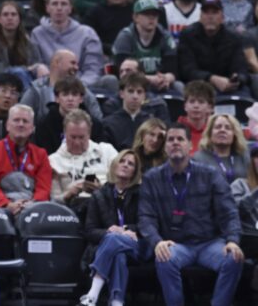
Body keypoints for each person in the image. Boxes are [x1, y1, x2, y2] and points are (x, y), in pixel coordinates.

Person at [138, 123, 244, 306]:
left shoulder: (210, 174)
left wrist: (233, 240)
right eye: (170, 139)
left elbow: (229, 212)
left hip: (209, 243)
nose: (175, 143)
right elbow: (145, 217)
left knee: (234, 257)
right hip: (175, 244)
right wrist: (157, 241)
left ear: (190, 145)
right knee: (164, 257)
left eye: (180, 139)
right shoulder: (152, 177)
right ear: (165, 147)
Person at [78, 150, 144, 306]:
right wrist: (109, 231)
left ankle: (92, 295)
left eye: (131, 163)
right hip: (110, 246)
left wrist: (127, 228)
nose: (126, 165)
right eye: (122, 161)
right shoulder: (99, 195)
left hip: (136, 244)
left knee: (115, 239)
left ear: (135, 171)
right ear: (114, 165)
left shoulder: (142, 194)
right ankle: (116, 302)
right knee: (117, 254)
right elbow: (89, 231)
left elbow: (147, 223)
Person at [0, 104, 52, 216]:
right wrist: (8, 205)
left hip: (32, 209)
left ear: (32, 128)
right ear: (7, 125)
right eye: (16, 120)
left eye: (25, 121)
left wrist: (32, 205)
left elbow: (44, 189)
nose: (21, 124)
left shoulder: (41, 154)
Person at [31, 0, 111, 91]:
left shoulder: (87, 33)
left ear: (70, 8)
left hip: (81, 86)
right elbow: (33, 64)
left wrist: (76, 87)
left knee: (110, 80)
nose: (59, 8)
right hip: (48, 86)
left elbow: (93, 70)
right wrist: (38, 67)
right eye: (55, 4)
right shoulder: (37, 33)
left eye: (64, 4)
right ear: (47, 8)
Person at [178, 0, 256, 98]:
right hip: (198, 86)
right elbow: (187, 70)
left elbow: (242, 70)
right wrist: (212, 78)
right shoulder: (187, 35)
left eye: (214, 12)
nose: (210, 17)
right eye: (206, 13)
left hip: (228, 86)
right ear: (200, 17)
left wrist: (237, 80)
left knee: (246, 93)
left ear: (222, 18)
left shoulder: (234, 38)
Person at [48, 109, 118, 216]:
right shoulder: (53, 161)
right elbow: (53, 201)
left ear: (89, 134)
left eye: (81, 137)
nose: (77, 142)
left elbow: (122, 187)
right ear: (64, 134)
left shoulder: (107, 151)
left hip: (106, 208)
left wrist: (102, 189)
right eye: (72, 137)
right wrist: (69, 193)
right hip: (70, 212)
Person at [111, 0, 181, 96]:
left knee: (178, 85)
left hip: (159, 84)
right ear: (135, 17)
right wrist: (150, 79)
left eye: (155, 15)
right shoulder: (125, 37)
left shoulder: (165, 37)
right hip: (130, 85)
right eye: (146, 14)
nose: (151, 18)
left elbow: (173, 71)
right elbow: (122, 73)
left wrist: (166, 78)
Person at [20, 49, 105, 125]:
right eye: (73, 63)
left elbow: (98, 120)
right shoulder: (36, 90)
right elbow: (21, 117)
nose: (76, 68)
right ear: (57, 62)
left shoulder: (83, 90)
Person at [0, 0, 47, 87]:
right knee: (19, 72)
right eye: (5, 14)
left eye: (13, 14)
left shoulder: (27, 40)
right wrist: (25, 69)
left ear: (19, 19)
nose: (10, 18)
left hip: (25, 79)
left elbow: (35, 63)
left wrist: (38, 67)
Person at [103, 72, 166, 151]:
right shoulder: (108, 124)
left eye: (139, 92)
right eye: (130, 91)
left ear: (144, 96)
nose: (135, 96)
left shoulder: (152, 124)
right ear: (121, 93)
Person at [192, 114, 249, 184]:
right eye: (218, 127)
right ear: (210, 133)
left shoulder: (243, 155)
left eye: (228, 128)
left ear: (235, 135)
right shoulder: (199, 158)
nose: (222, 130)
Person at [179, 80, 216, 154]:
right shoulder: (174, 130)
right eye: (192, 101)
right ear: (185, 106)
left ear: (210, 108)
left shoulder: (215, 132)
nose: (196, 106)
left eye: (201, 102)